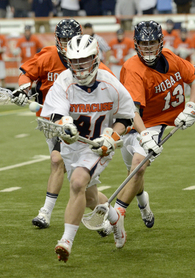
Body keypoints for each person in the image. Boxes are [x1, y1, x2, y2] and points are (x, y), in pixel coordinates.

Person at [40, 34, 149, 262]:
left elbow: (126, 117)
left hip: (98, 146)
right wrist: (65, 124)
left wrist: (111, 136)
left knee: (77, 182)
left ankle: (66, 241)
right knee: (89, 198)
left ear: (96, 58)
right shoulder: (63, 81)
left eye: (85, 60)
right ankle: (114, 217)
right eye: (75, 60)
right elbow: (55, 114)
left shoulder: (109, 83)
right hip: (73, 146)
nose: (79, 66)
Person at [11, 19, 115, 237]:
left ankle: (108, 216)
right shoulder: (48, 56)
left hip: (84, 125)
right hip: (54, 121)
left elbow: (112, 88)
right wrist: (23, 88)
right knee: (64, 168)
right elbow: (26, 73)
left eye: (71, 39)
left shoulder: (91, 62)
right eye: (64, 39)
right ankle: (49, 212)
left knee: (83, 187)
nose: (68, 44)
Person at [113, 20, 195, 230]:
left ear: (160, 42)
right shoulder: (132, 68)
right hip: (132, 121)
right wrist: (143, 135)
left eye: (152, 42)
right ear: (136, 44)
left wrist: (191, 107)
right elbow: (132, 111)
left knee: (139, 165)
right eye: (144, 44)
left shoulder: (171, 58)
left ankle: (117, 215)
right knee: (133, 173)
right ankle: (144, 204)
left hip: (156, 122)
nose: (148, 48)